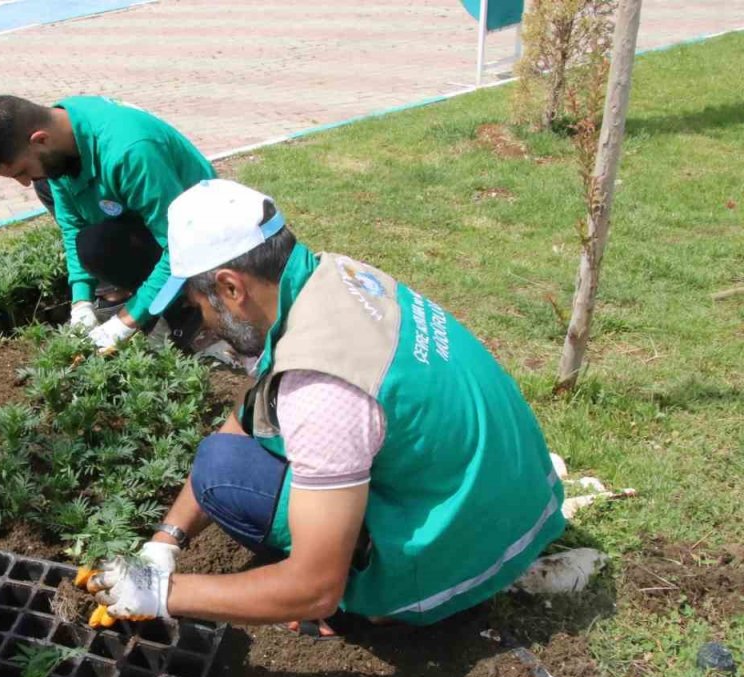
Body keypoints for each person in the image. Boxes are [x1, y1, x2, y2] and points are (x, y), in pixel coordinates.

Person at [80, 180, 565, 629]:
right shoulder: (332, 277)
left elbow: (315, 591)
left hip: (470, 552)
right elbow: (246, 417)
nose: (203, 321)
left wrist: (162, 593)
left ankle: (385, 602)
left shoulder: (320, 387)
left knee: (230, 480)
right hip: (512, 497)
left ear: (231, 287)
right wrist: (165, 540)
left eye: (197, 304)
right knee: (221, 458)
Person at [0, 95, 215, 352]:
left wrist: (128, 319)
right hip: (151, 223)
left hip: (207, 235)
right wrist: (80, 302)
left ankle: (195, 308)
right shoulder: (60, 136)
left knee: (102, 246)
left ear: (40, 139)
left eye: (21, 172)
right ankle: (159, 300)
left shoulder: (130, 151)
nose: (25, 183)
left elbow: (181, 245)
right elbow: (73, 226)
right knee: (90, 242)